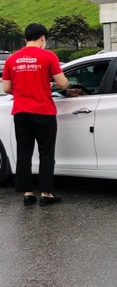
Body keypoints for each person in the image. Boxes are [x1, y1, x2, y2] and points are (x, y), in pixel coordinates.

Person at [2, 24, 69, 206]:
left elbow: (6, 88)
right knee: (46, 153)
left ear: (25, 39)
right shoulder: (48, 56)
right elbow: (63, 83)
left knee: (24, 152)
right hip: (43, 111)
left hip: (21, 112)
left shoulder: (12, 59)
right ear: (43, 38)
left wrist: (24, 89)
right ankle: (46, 193)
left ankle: (27, 193)